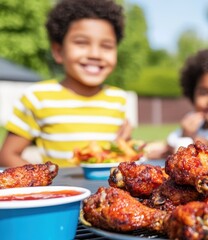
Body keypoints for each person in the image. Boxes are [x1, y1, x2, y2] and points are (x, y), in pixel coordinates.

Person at [0, 0, 131, 167]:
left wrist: (124, 146)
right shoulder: (38, 97)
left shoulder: (118, 98)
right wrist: (47, 184)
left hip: (109, 192)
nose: (95, 54)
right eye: (81, 43)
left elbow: (119, 156)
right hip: (63, 192)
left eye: (106, 46)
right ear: (58, 51)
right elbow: (7, 155)